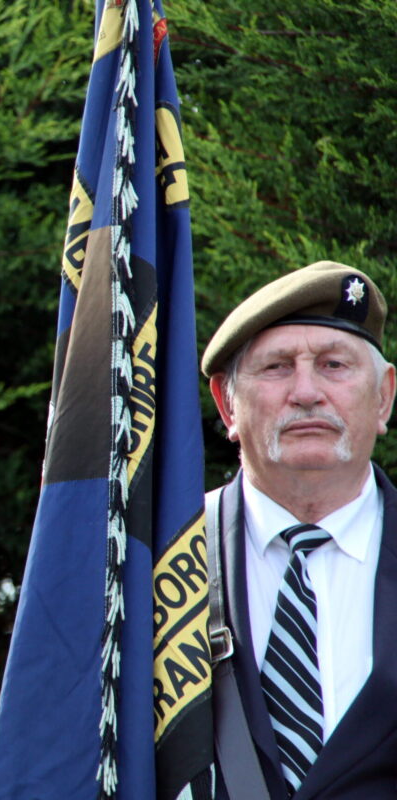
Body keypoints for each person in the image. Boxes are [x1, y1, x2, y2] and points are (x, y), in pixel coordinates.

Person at [202, 261, 397, 799]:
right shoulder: (160, 562)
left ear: (383, 397)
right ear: (227, 405)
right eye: (277, 368)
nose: (306, 392)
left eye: (335, 365)